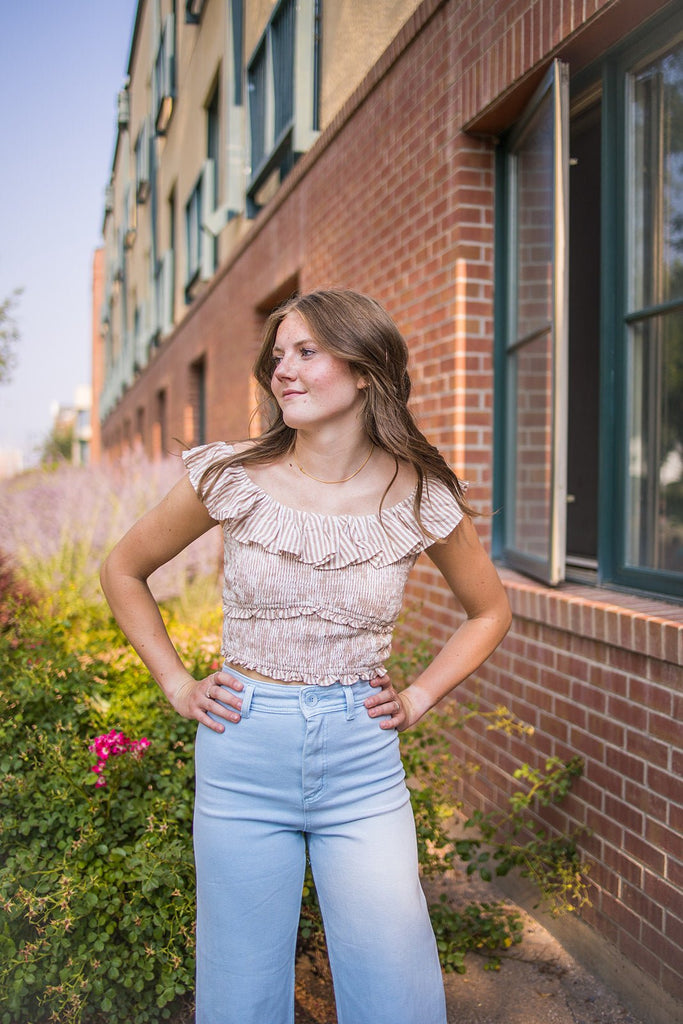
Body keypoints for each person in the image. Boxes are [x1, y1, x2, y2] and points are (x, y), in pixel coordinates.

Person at [100, 289, 511, 1024]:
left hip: (361, 762)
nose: (281, 370)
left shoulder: (421, 494)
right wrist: (174, 681)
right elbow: (122, 569)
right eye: (277, 355)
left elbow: (489, 611)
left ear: (363, 371)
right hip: (241, 749)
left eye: (305, 352)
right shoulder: (231, 477)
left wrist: (417, 697)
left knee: (397, 993)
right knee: (242, 995)